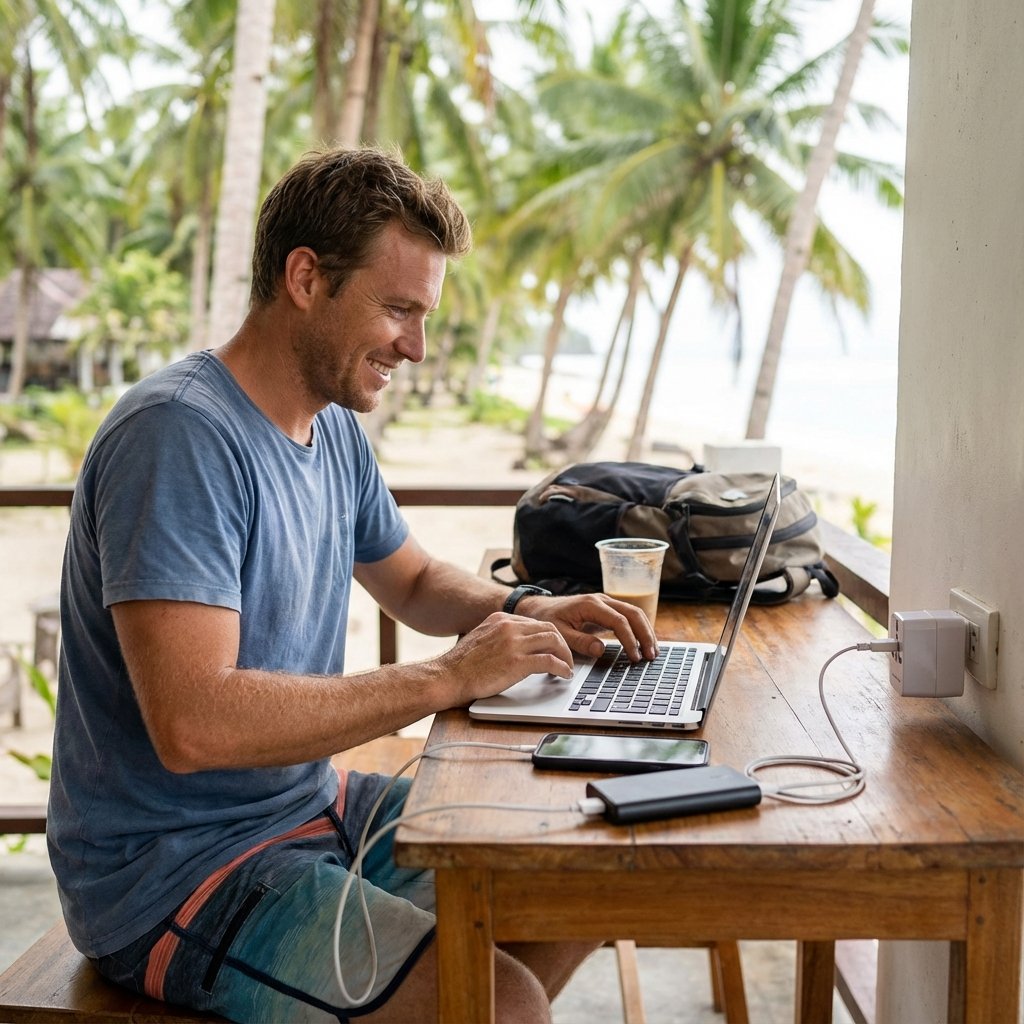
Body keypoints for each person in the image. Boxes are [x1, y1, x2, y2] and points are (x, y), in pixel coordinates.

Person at [47, 146, 658, 1023]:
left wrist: (528, 608)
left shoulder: (328, 428)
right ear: (305, 277)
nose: (414, 346)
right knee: (504, 1006)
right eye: (399, 309)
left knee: (585, 867)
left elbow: (409, 579)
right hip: (175, 873)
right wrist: (448, 678)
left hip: (311, 807)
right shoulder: (178, 437)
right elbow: (192, 722)